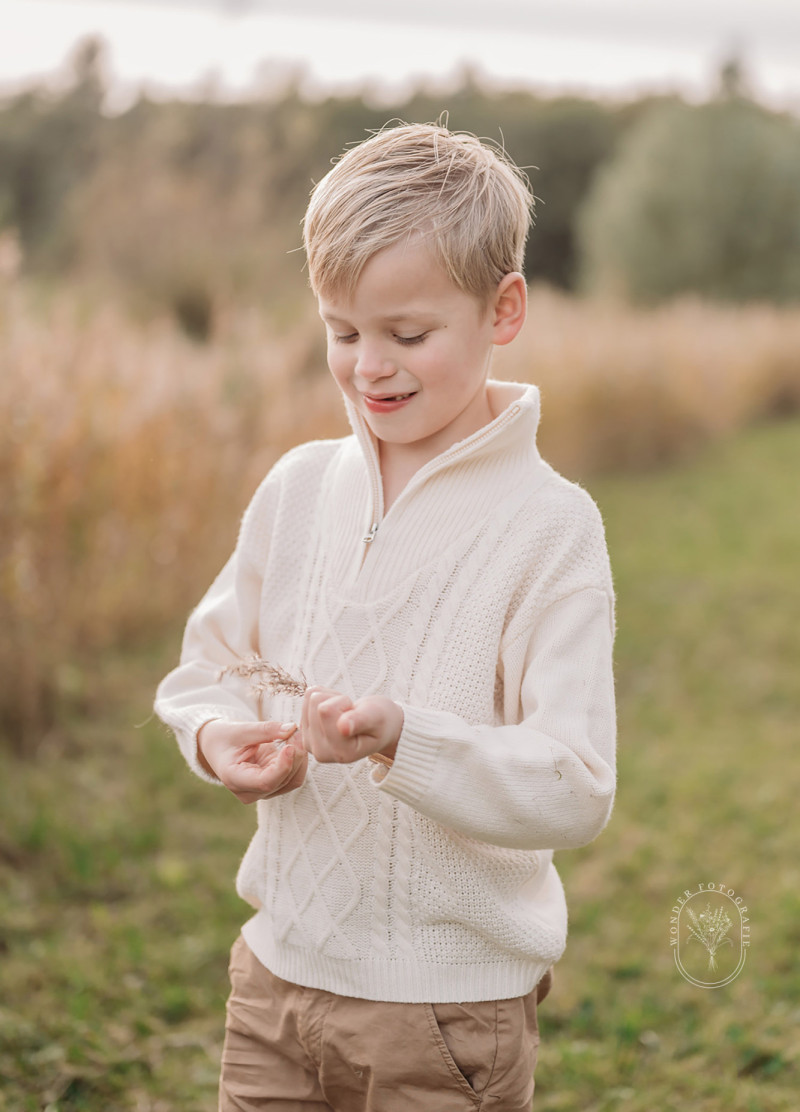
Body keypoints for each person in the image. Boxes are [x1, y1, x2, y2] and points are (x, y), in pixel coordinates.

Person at [154, 122, 617, 1112]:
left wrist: (409, 740)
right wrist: (216, 735)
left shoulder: (548, 528)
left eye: (407, 335)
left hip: (445, 1022)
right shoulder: (296, 489)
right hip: (275, 985)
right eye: (341, 330)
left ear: (502, 311)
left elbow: (576, 786)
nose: (370, 367)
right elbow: (207, 670)